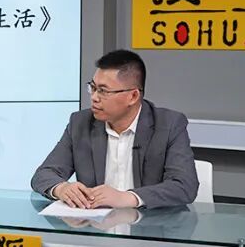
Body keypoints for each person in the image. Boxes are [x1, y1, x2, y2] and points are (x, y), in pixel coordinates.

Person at [31, 49, 198, 209]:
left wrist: (128, 198)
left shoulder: (169, 125)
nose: (94, 97)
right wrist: (62, 188)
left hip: (150, 225)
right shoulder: (80, 123)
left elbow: (184, 186)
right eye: (93, 88)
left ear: (133, 96)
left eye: (103, 91)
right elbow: (44, 174)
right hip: (94, 225)